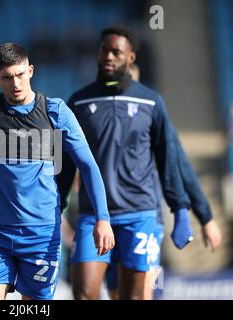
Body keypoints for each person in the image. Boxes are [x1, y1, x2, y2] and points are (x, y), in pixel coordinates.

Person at [0, 43, 115, 300]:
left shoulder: (55, 112)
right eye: (6, 78)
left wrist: (102, 218)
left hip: (41, 235)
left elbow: (88, 165)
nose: (15, 83)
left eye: (19, 75)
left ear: (30, 71)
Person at [59, 25, 195, 300]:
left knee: (134, 297)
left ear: (130, 58)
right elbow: (65, 161)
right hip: (94, 216)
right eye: (104, 50)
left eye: (116, 51)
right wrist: (57, 206)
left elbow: (168, 160)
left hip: (140, 215)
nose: (108, 56)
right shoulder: (78, 102)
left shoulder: (151, 102)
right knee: (84, 294)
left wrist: (180, 209)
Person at [103, 63, 223, 300]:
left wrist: (206, 218)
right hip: (108, 221)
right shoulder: (102, 125)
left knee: (141, 290)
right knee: (116, 292)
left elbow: (182, 168)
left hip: (146, 218)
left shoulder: (153, 122)